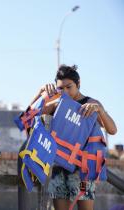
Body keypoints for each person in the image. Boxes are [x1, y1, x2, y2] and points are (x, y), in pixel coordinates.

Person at [33, 64, 117, 210]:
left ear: (78, 84)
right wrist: (41, 93)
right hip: (59, 167)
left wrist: (100, 111)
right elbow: (29, 117)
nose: (65, 91)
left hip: (83, 171)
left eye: (69, 87)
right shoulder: (56, 103)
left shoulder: (90, 104)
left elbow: (112, 130)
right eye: (60, 88)